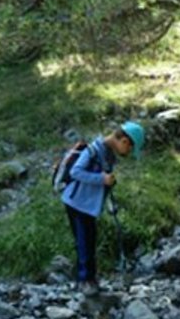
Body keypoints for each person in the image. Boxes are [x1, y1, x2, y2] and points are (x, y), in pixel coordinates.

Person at [61, 121, 145, 295]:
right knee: (85, 241)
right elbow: (75, 172)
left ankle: (85, 277)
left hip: (87, 205)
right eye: (130, 149)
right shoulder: (93, 150)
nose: (128, 153)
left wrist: (108, 197)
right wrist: (102, 179)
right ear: (124, 141)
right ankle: (86, 281)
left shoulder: (108, 154)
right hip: (77, 203)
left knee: (86, 240)